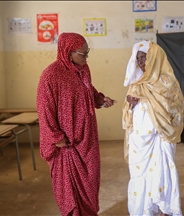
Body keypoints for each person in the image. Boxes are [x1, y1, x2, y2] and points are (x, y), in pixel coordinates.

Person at [36, 32, 116, 216]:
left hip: (87, 138)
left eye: (87, 53)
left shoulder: (83, 69)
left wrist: (100, 99)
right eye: (82, 53)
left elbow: (88, 91)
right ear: (67, 52)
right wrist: (56, 138)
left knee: (90, 179)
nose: (86, 57)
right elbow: (44, 109)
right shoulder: (51, 75)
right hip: (67, 142)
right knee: (69, 188)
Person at [122, 40, 184, 216]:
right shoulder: (136, 83)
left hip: (160, 138)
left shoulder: (167, 82)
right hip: (140, 141)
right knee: (140, 176)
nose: (141, 62)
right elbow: (128, 117)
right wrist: (131, 105)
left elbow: (174, 109)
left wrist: (146, 101)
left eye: (145, 58)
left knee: (162, 174)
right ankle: (145, 211)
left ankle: (164, 210)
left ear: (155, 59)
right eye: (138, 59)